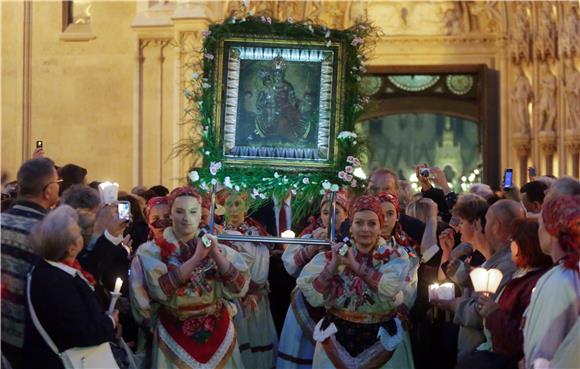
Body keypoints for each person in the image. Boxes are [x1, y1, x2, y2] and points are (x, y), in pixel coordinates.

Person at [133, 187, 250, 368]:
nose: (186, 218)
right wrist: (197, 257)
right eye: (179, 212)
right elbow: (161, 290)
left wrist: (216, 254)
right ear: (170, 214)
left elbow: (239, 287)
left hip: (218, 331)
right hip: (173, 334)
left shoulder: (218, 247)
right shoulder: (151, 251)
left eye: (193, 212)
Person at [297, 195, 414, 369]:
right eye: (359, 223)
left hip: (382, 340)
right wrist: (334, 265)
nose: (365, 229)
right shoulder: (331, 256)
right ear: (350, 226)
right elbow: (314, 296)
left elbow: (389, 287)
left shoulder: (395, 257)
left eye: (372, 223)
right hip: (336, 339)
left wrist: (355, 266)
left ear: (380, 227)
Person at [22, 205, 119, 369]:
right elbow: (81, 332)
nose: (83, 235)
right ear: (71, 247)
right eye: (79, 233)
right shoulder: (56, 283)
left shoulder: (49, 266)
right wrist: (110, 322)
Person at [455, 218, 552, 369]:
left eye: (513, 240)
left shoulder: (534, 283)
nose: (510, 245)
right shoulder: (523, 276)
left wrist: (493, 313)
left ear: (524, 245)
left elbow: (521, 337)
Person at [435, 199, 524, 360]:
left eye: (487, 222)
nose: (483, 227)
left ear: (495, 226)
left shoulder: (506, 265)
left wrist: (454, 304)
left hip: (483, 355)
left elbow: (482, 310)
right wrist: (463, 274)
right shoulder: (497, 261)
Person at [277, 190, 349, 369]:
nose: (330, 217)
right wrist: (311, 248)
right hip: (304, 304)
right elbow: (290, 266)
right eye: (326, 213)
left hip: (338, 306)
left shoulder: (353, 240)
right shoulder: (310, 236)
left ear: (347, 215)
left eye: (336, 212)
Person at [1, 157, 60, 369]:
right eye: (57, 183)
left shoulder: (1, 221)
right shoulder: (50, 232)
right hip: (34, 339)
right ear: (48, 190)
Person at [218, 190, 278, 369]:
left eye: (238, 204)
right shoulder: (219, 233)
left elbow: (262, 263)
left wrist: (258, 290)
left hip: (258, 300)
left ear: (246, 205)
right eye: (229, 204)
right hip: (235, 301)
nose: (234, 209)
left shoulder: (256, 232)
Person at [523, 195, 580, 369]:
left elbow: (543, 349)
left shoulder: (560, 279)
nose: (538, 230)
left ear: (551, 230)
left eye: (540, 223)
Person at [129, 196, 170, 367]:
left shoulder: (188, 248)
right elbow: (138, 294)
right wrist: (151, 323)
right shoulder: (144, 254)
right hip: (156, 330)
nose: (162, 223)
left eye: (166, 218)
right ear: (149, 222)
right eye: (156, 219)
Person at [367, 168, 425, 243]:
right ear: (367, 191)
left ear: (397, 192)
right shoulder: (352, 225)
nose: (380, 194)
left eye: (386, 189)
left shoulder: (413, 227)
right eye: (374, 189)